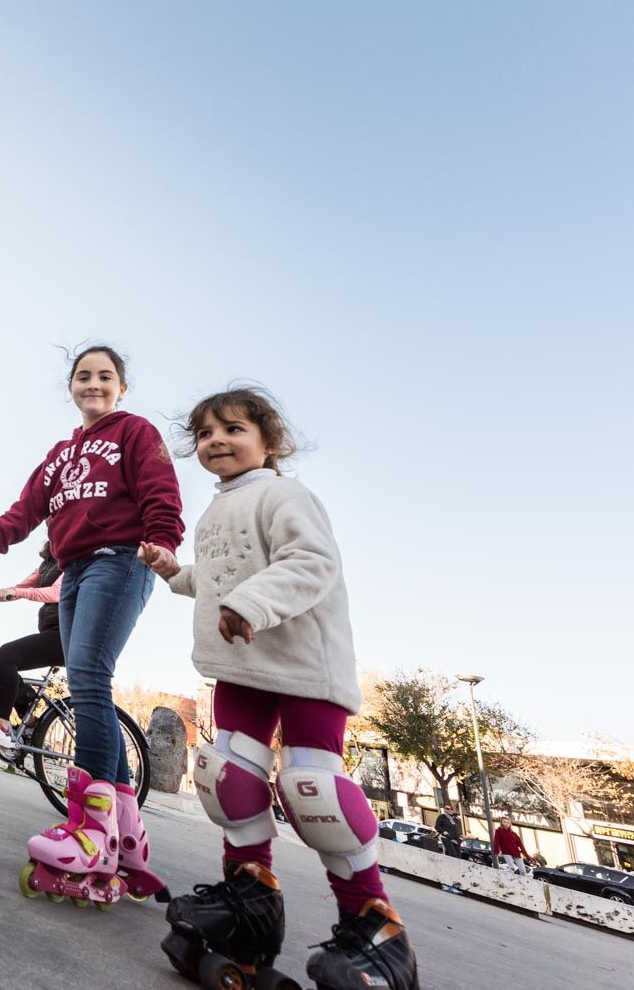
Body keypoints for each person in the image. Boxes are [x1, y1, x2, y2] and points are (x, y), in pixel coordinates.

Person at [142, 387, 420, 989]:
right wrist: (176, 574)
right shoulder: (216, 511)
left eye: (234, 429)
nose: (217, 441)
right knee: (229, 781)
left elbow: (311, 562)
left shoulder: (284, 494)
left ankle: (374, 927)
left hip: (302, 668)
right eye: (206, 434)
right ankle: (251, 901)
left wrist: (250, 602)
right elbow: (223, 577)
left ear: (270, 443)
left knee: (312, 791)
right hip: (243, 665)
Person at [0, 345, 182, 904]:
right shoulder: (60, 455)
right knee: (88, 684)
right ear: (71, 387)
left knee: (87, 678)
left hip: (122, 559)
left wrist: (162, 542)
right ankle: (126, 828)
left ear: (121, 387)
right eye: (84, 376)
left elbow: (160, 492)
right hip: (76, 568)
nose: (94, 384)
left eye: (105, 376)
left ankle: (91, 824)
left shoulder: (134, 431)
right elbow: (25, 510)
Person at [0, 540, 64, 751]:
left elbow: (55, 593)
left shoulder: (70, 560)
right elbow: (20, 587)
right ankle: (31, 723)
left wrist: (17, 592)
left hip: (66, 636)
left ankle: (1, 725)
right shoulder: (46, 563)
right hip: (51, 633)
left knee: (8, 655)